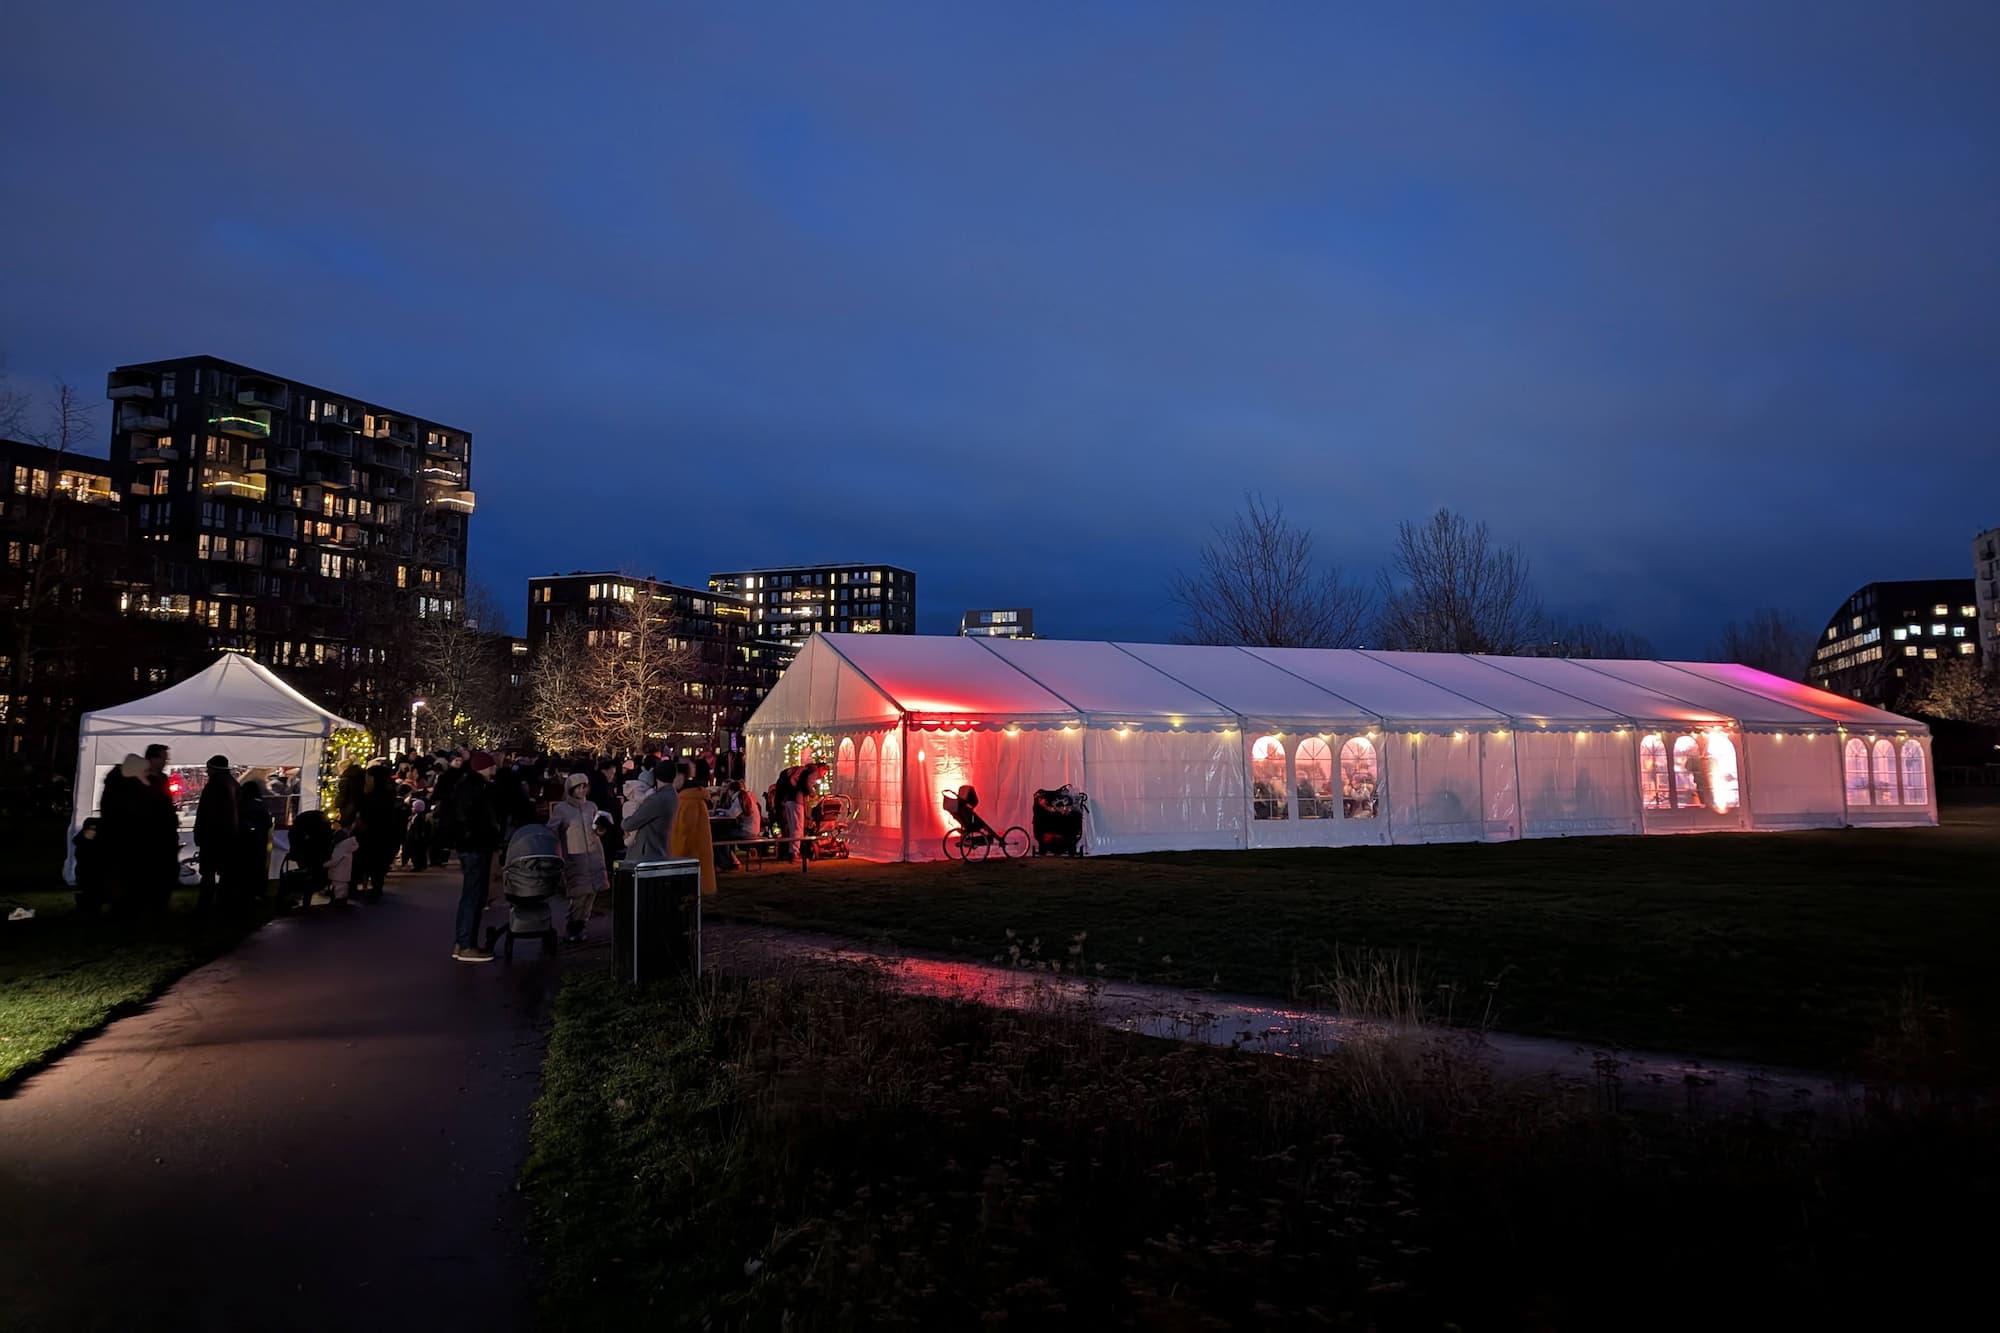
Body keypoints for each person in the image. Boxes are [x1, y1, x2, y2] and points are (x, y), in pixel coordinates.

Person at [445, 752, 500, 962]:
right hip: (476, 845)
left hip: (470, 844)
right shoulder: (477, 788)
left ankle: (463, 942)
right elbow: (473, 816)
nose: (494, 770)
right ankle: (467, 944)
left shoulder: (467, 785)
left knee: (471, 894)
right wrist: (482, 835)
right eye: (491, 766)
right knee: (475, 894)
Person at [548, 773, 607, 944]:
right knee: (579, 895)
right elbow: (551, 829)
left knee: (591, 894)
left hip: (594, 854)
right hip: (575, 857)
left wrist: (601, 828)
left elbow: (597, 829)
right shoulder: (562, 809)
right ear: (571, 789)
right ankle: (572, 926)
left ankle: (582, 926)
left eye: (584, 786)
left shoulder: (591, 806)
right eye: (579, 787)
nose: (582, 790)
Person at [193, 755, 239, 914]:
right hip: (229, 835)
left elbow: (205, 813)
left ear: (213, 769)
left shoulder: (214, 786)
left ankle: (205, 906)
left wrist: (199, 833)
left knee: (208, 873)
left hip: (212, 836)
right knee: (226, 873)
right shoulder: (233, 784)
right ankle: (225, 903)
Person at [668, 759, 718, 897]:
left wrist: (676, 854)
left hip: (688, 858)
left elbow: (684, 833)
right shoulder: (693, 798)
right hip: (694, 856)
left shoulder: (688, 801)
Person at [139, 743, 180, 912]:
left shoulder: (162, 779)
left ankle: (160, 904)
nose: (166, 762)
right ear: (152, 759)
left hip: (164, 834)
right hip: (149, 835)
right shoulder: (140, 779)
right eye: (163, 758)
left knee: (166, 873)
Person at [622, 761, 680, 862]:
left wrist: (624, 822)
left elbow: (631, 823)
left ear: (656, 776)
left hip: (647, 853)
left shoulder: (656, 799)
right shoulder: (673, 796)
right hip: (662, 849)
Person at [237, 779, 274, 910]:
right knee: (258, 867)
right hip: (259, 842)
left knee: (244, 869)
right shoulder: (261, 806)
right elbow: (268, 823)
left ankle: (244, 894)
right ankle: (257, 892)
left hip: (244, 842)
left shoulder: (241, 806)